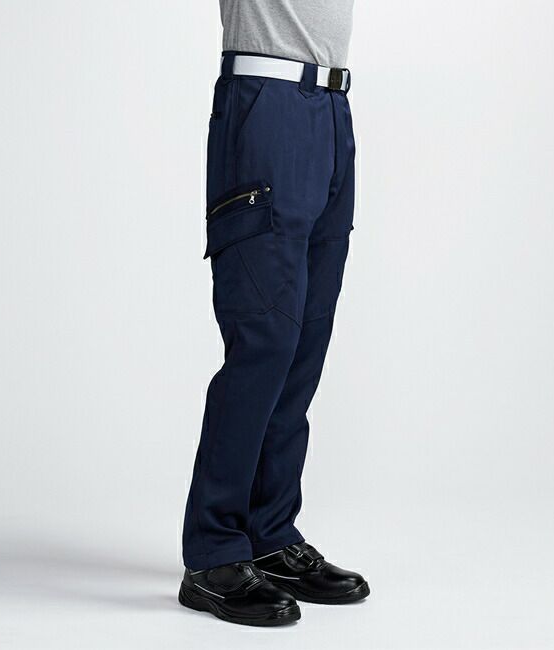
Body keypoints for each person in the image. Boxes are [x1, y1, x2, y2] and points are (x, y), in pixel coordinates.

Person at [179, 0, 368, 626]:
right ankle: (213, 552)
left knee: (305, 343)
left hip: (332, 111)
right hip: (266, 105)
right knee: (265, 339)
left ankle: (270, 534)